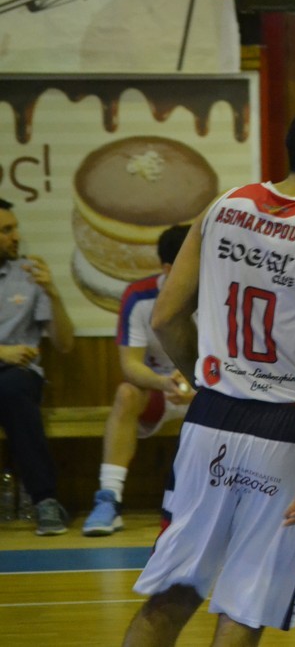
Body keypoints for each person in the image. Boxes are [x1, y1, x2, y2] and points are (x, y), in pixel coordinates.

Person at [122, 96, 295, 645]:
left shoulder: (224, 205)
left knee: (173, 592)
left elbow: (165, 317)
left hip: (211, 417)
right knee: (247, 601)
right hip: (282, 428)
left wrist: (210, 379)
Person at [82, 225, 194, 536]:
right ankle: (109, 499)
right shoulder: (140, 295)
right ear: (168, 269)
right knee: (126, 393)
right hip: (161, 390)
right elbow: (130, 365)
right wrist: (166, 383)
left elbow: (230, 363)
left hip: (206, 393)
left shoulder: (219, 293)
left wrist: (198, 387)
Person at [0, 198, 75, 536]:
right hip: (8, 363)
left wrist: (52, 293)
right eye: (6, 230)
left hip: (18, 377)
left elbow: (64, 344)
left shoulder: (29, 274)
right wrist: (2, 352)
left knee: (12, 388)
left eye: (15, 228)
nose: (16, 236)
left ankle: (45, 500)